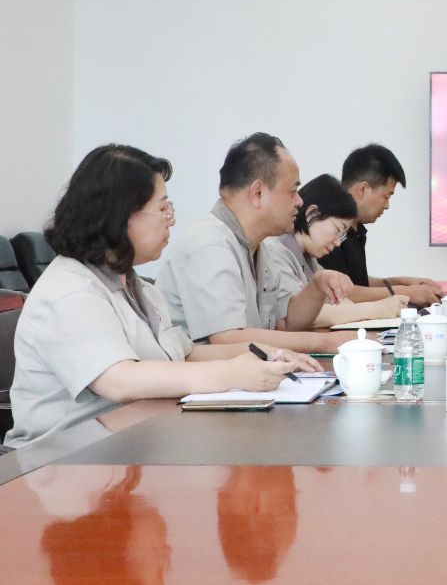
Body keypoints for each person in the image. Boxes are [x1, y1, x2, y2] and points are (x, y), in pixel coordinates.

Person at [5, 145, 317, 449]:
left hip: (132, 444)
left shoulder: (138, 287)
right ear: (122, 215)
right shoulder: (69, 291)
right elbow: (120, 380)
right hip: (61, 461)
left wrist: (262, 352)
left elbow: (185, 355)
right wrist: (231, 373)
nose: (172, 220)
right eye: (163, 208)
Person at [156, 133, 358, 352]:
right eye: (292, 191)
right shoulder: (210, 246)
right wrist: (326, 343)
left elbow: (285, 323)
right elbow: (228, 338)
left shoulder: (261, 247)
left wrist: (317, 286)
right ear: (258, 193)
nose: (300, 201)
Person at [262, 174, 409, 327]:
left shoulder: (309, 259)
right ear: (312, 214)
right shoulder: (276, 252)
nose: (338, 242)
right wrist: (376, 309)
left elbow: (338, 302)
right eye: (338, 229)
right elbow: (301, 316)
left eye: (343, 234)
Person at [319, 144, 443, 305]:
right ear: (363, 189)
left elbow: (356, 283)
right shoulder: (327, 230)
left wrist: (402, 283)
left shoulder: (356, 229)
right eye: (386, 196)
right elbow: (340, 292)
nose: (387, 206)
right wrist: (406, 292)